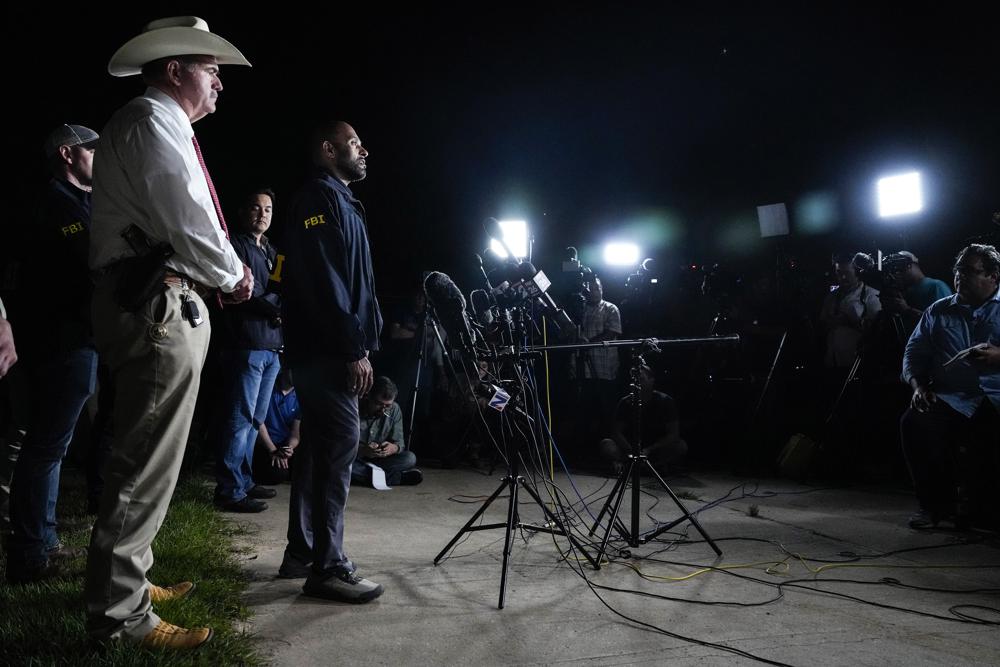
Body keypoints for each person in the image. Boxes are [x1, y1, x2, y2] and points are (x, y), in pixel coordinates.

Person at [84, 16, 253, 650]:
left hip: (157, 298)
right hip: (156, 302)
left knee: (148, 454)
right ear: (175, 69)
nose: (218, 81)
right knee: (144, 461)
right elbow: (188, 215)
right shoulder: (152, 121)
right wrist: (234, 275)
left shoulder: (153, 121)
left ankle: (126, 580)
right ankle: (120, 617)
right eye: (210, 69)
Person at [279, 120, 384, 603]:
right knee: (340, 445)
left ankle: (304, 551)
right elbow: (326, 281)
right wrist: (353, 347)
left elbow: (354, 283)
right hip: (326, 351)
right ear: (327, 149)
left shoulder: (341, 202)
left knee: (319, 451)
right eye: (354, 144)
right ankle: (328, 565)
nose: (364, 151)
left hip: (328, 347)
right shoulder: (318, 201)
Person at [6, 124, 101, 584]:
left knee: (52, 448)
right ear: (68, 154)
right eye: (92, 150)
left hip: (77, 340)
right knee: (44, 448)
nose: (99, 158)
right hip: (59, 343)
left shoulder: (81, 202)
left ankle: (39, 540)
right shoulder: (53, 203)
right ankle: (29, 555)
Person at [900, 244, 1000, 530]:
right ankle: (934, 507)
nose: (959, 277)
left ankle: (984, 507)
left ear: (993, 276)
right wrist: (917, 386)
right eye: (958, 270)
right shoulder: (938, 311)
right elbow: (913, 353)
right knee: (915, 422)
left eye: (969, 271)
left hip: (994, 397)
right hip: (952, 397)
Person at [214, 188, 283, 513]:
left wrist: (278, 303)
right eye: (256, 208)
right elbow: (243, 292)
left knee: (255, 420)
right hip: (245, 345)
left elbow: (282, 289)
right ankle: (229, 490)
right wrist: (275, 306)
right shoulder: (234, 246)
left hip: (272, 347)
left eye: (268, 209)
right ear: (244, 212)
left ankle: (244, 479)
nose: (262, 214)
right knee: (239, 418)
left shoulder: (274, 251)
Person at [599, 364, 687, 474]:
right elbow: (616, 432)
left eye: (641, 379)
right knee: (607, 444)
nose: (637, 384)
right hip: (629, 449)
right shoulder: (625, 402)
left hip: (654, 449)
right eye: (634, 380)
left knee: (680, 446)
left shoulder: (665, 401)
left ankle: (647, 467)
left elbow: (673, 434)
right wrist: (632, 450)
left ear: (652, 380)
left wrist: (650, 449)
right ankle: (639, 466)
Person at [352, 376, 422, 487]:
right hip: (355, 458)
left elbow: (399, 443)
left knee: (410, 458)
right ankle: (396, 478)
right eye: (378, 404)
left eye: (388, 405)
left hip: (379, 460)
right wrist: (362, 450)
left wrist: (393, 448)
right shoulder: (354, 407)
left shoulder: (395, 409)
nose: (383, 409)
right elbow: (340, 445)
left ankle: (365, 476)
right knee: (340, 464)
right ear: (368, 397)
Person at [253, 366, 300, 486]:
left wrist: (289, 448)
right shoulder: (268, 385)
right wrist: (272, 449)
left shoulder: (300, 396)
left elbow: (295, 433)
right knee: (276, 475)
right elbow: (257, 421)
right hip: (263, 442)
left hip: (282, 445)